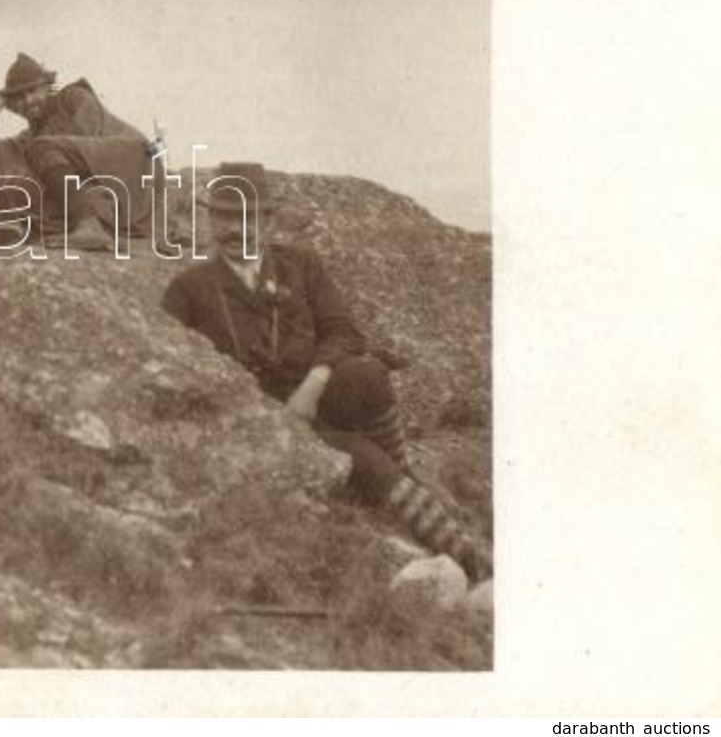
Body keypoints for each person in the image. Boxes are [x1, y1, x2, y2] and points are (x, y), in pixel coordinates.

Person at [161, 162, 492, 581]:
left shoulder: (300, 266)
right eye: (225, 217)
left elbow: (344, 331)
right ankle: (472, 563)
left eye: (247, 217)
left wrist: (314, 384)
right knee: (369, 463)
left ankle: (404, 469)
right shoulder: (189, 289)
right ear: (210, 220)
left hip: (319, 398)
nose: (235, 229)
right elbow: (173, 362)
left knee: (368, 374)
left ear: (267, 220)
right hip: (268, 420)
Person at [0, 53, 159, 249]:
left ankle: (89, 225)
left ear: (47, 88)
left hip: (137, 164)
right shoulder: (31, 136)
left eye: (32, 91)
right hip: (107, 188)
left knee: (41, 150)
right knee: (20, 186)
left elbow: (88, 142)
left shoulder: (72, 97)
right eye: (19, 98)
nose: (27, 101)